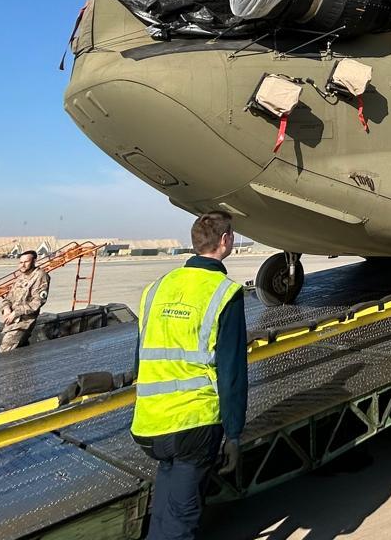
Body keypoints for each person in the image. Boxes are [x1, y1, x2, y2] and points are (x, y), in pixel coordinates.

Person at [131, 212, 248, 540]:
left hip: (150, 424)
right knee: (183, 519)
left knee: (165, 511)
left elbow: (140, 355)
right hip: (193, 425)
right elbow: (232, 372)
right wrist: (235, 433)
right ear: (225, 241)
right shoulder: (224, 292)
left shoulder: (156, 288)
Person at [0, 250, 50, 354]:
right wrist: (6, 309)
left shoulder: (40, 276)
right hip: (12, 320)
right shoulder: (20, 278)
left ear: (34, 261)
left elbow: (38, 302)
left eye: (26, 262)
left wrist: (16, 313)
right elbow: (8, 298)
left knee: (4, 352)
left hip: (24, 321)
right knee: (20, 349)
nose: (23, 265)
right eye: (21, 262)